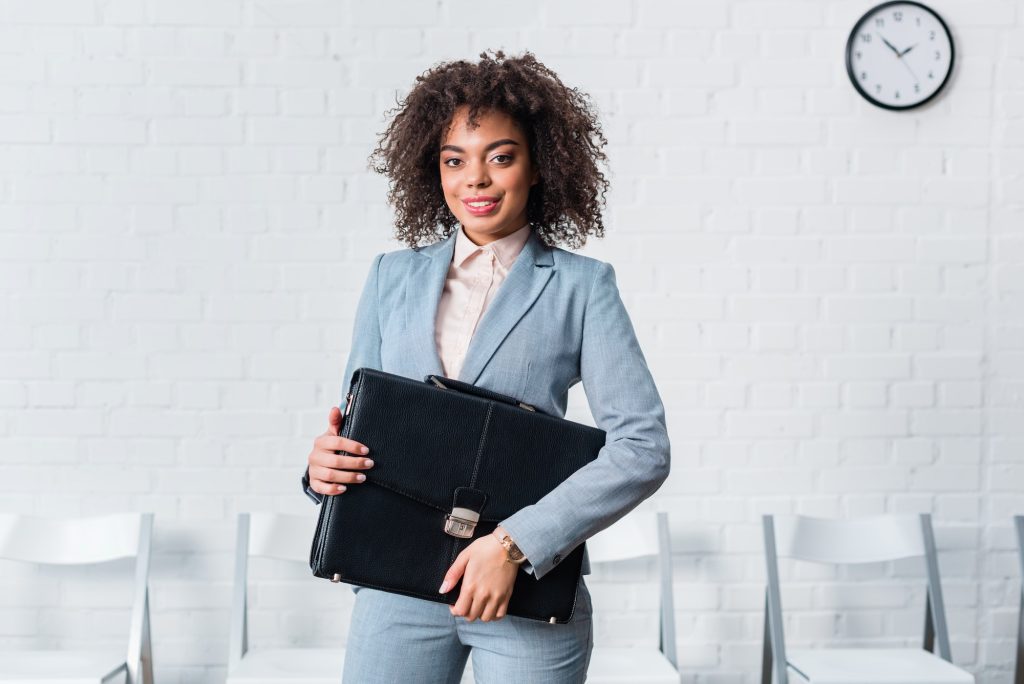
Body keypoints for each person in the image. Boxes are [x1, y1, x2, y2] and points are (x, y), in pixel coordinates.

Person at [302, 49, 670, 683]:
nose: (475, 178)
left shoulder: (583, 287)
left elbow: (642, 447)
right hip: (395, 587)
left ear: (538, 166)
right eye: (454, 160)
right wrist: (322, 469)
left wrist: (514, 544)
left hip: (524, 595)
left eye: (500, 156)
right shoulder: (391, 277)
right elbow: (359, 425)